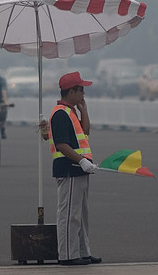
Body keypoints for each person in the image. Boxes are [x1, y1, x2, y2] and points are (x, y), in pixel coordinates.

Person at [46, 71, 101, 266]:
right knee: (69, 214)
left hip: (79, 169)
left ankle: (83, 251)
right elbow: (61, 144)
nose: (84, 94)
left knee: (81, 214)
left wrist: (84, 110)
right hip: (69, 168)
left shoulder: (71, 112)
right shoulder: (60, 114)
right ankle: (68, 254)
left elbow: (85, 132)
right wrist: (81, 160)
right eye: (82, 90)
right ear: (72, 91)